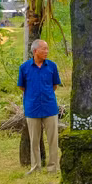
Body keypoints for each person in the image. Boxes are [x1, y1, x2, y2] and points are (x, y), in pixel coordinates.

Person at [18, 39, 62, 174]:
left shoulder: (52, 66)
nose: (46, 51)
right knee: (34, 141)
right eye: (44, 49)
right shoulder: (24, 67)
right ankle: (35, 167)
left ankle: (53, 168)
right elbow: (21, 86)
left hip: (50, 107)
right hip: (32, 108)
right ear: (35, 51)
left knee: (53, 140)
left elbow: (54, 85)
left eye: (47, 49)